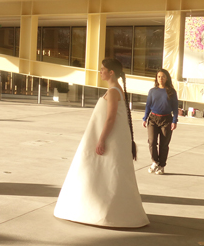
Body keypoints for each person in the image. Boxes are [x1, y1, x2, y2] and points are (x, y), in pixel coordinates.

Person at [53, 58, 149, 228]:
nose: (100, 71)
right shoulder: (115, 90)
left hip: (110, 139)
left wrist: (102, 139)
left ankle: (102, 211)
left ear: (111, 72)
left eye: (103, 69)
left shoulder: (113, 91)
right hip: (112, 138)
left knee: (106, 172)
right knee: (108, 173)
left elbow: (111, 118)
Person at [143, 69, 179, 176]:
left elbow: (175, 108)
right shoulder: (152, 91)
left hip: (166, 120)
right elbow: (148, 105)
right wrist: (145, 118)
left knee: (164, 144)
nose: (161, 79)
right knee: (152, 141)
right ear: (156, 78)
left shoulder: (171, 92)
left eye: (163, 76)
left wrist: (174, 121)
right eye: (159, 77)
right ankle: (155, 161)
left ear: (167, 78)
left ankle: (162, 165)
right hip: (153, 119)